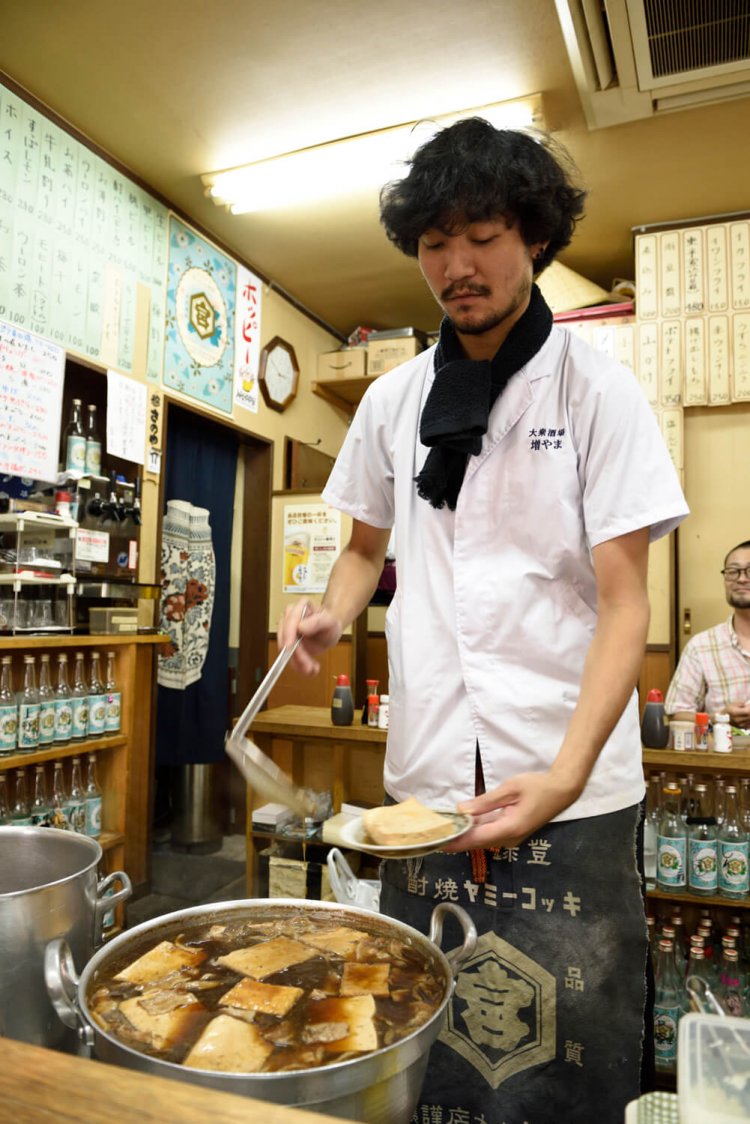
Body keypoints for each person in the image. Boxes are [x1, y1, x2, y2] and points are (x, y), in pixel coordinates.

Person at [278, 119, 688, 1124]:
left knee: (567, 1040)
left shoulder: (598, 392)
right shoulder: (391, 399)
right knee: (431, 1023)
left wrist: (560, 773)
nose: (458, 265)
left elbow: (626, 601)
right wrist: (332, 612)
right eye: (435, 243)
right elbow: (366, 551)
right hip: (429, 780)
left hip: (571, 776)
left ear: (536, 236)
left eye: (485, 235)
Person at [665, 540, 750, 728]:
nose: (741, 579)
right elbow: (675, 714)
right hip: (724, 754)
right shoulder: (701, 646)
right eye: (733, 571)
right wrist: (719, 718)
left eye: (749, 570)